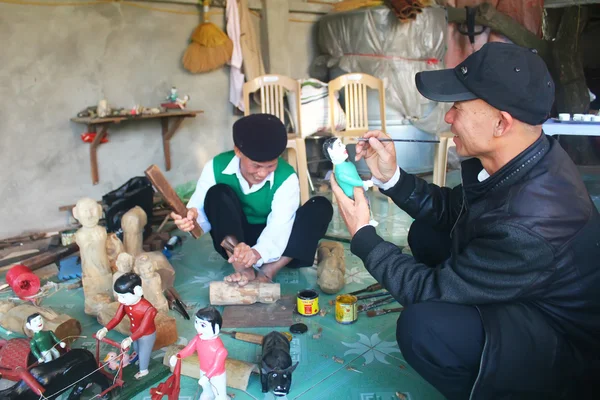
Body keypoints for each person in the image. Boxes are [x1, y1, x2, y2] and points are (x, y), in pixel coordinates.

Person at [330, 42, 600, 400]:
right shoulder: (526, 156)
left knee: (422, 328)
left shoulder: (531, 219)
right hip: (527, 288)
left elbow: (429, 290)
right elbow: (454, 210)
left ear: (501, 123)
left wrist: (364, 235)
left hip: (564, 348)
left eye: (457, 107)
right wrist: (392, 176)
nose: (447, 117)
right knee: (426, 233)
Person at [172, 113, 333, 286]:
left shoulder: (287, 177)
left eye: (270, 166)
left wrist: (256, 253)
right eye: (256, 165)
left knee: (320, 206)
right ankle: (243, 269)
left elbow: (280, 225)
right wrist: (192, 219)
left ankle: (268, 271)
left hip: (280, 245)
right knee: (217, 193)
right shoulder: (216, 166)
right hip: (234, 246)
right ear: (238, 151)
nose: (262, 173)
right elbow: (200, 208)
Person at [96, 272, 157, 380]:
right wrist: (105, 329)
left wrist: (130, 339)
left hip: (147, 335)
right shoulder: (125, 304)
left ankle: (144, 371)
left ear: (137, 291)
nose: (120, 299)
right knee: (137, 349)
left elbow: (143, 329)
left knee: (144, 352)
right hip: (134, 333)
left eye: (123, 296)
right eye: (118, 295)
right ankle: (138, 360)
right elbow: (116, 318)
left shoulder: (148, 309)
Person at [169, 307, 228, 400]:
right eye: (196, 322)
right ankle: (208, 394)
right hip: (203, 370)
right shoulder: (198, 339)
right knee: (207, 390)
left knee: (220, 395)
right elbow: (189, 349)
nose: (198, 328)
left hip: (217, 375)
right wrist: (178, 356)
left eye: (203, 325)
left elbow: (216, 366)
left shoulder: (220, 349)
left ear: (216, 328)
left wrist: (207, 376)